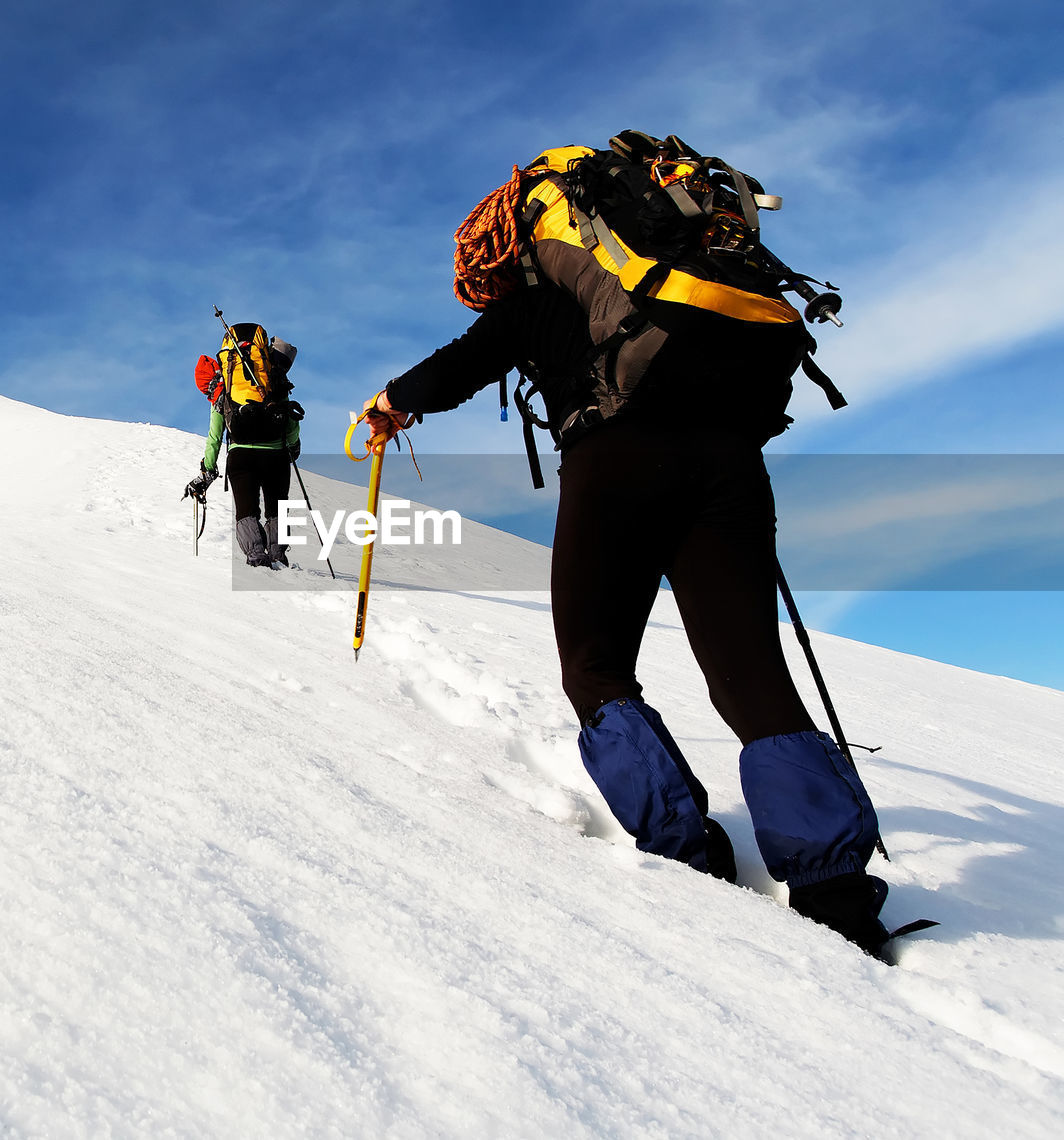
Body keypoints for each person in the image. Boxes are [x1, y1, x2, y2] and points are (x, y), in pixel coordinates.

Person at [361, 136, 893, 957]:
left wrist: (392, 403)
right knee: (750, 673)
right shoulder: (659, 274)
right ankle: (835, 890)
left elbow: (464, 361)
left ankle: (685, 851)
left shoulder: (543, 292)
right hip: (730, 463)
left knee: (596, 667)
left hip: (615, 460)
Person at [186, 335, 301, 568]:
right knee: (278, 506)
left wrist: (207, 471)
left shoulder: (225, 390)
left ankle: (257, 558)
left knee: (246, 510)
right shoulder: (273, 378)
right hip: (275, 455)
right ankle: (279, 556)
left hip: (241, 457)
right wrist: (293, 445)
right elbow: (289, 422)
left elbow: (215, 437)